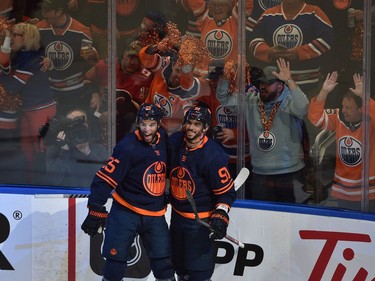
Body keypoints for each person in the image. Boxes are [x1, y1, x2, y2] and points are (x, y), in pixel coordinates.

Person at [81, 103, 175, 281]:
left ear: (159, 124)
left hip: (154, 214)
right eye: (143, 124)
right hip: (126, 212)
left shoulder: (164, 139)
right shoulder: (127, 147)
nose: (147, 129)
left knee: (164, 265)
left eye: (151, 125)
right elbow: (105, 177)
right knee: (115, 264)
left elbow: (170, 166)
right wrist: (95, 206)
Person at [217, 58, 309, 203]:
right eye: (261, 83)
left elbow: (303, 107)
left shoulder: (289, 101)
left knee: (288, 221)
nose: (263, 86)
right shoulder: (251, 100)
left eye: (268, 83)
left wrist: (290, 81)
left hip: (289, 174)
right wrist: (226, 77)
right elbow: (223, 99)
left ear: (279, 86)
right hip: (260, 173)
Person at [167, 106, 236, 281]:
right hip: (177, 218)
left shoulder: (213, 155)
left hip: (199, 223)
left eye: (197, 124)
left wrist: (221, 215)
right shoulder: (175, 142)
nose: (191, 127)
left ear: (205, 128)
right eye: (189, 122)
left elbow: (227, 193)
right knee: (179, 270)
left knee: (199, 274)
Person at [308, 72, 375, 211]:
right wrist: (324, 92)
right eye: (343, 106)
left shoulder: (371, 123)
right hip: (343, 190)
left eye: (349, 108)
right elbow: (316, 118)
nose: (344, 110)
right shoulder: (338, 117)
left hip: (368, 192)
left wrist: (364, 97)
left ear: (361, 109)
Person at [0, 22, 56, 183]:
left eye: (15, 35)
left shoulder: (33, 59)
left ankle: (44, 188)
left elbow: (13, 87)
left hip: (41, 110)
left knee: (41, 149)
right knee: (27, 150)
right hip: (28, 110)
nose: (11, 38)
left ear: (25, 38)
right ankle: (29, 186)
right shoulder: (22, 56)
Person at [249, 0, 333, 97]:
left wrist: (299, 52)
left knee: (310, 112)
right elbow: (253, 41)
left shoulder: (314, 13)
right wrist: (269, 51)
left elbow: (328, 39)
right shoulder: (268, 15)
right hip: (277, 86)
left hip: (309, 85)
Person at [36, 0, 99, 116]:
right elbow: (32, 55)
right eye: (43, 9)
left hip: (74, 90)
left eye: (47, 10)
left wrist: (93, 57)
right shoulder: (38, 29)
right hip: (48, 90)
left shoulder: (82, 31)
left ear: (59, 11)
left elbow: (89, 64)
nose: (43, 13)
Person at [139, 34, 212, 135]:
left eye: (184, 73)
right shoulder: (164, 66)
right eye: (177, 70)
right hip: (149, 124)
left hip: (174, 135)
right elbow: (144, 57)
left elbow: (189, 112)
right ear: (172, 64)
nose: (179, 76)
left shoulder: (192, 88)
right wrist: (157, 47)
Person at [44, 108, 108, 187]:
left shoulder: (99, 150)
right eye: (73, 124)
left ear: (87, 126)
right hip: (63, 197)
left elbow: (106, 181)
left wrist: (88, 153)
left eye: (82, 123)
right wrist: (64, 150)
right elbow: (52, 182)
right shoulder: (55, 150)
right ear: (65, 127)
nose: (77, 127)